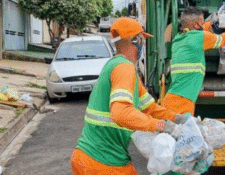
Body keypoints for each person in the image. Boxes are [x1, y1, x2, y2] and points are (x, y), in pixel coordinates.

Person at [70, 17, 189, 175]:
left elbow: (150, 108)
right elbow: (121, 113)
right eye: (142, 40)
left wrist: (177, 118)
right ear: (136, 41)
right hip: (103, 163)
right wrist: (162, 126)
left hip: (92, 158)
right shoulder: (124, 67)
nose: (143, 45)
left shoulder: (120, 67)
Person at [162, 6, 225, 115]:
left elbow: (195, 31)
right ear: (196, 24)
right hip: (182, 102)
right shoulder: (200, 37)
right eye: (201, 21)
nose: (202, 23)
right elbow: (222, 40)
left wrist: (209, 23)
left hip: (174, 99)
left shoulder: (179, 38)